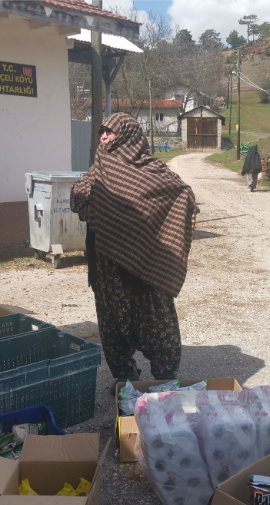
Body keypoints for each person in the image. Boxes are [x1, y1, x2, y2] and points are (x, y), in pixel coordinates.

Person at [70, 113, 198, 386]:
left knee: (157, 320)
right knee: (112, 322)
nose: (104, 136)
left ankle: (165, 379)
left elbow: (180, 192)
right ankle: (126, 377)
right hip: (107, 266)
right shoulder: (99, 168)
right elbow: (78, 197)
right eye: (102, 131)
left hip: (144, 266)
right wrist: (90, 197)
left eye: (110, 131)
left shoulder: (153, 170)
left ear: (128, 135)